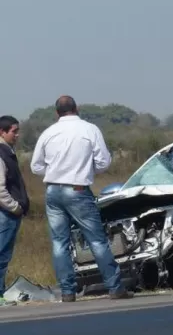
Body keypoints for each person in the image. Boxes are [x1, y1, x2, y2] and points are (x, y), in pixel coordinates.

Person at [30, 96, 133, 302]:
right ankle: (114, 287)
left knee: (60, 243)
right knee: (96, 240)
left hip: (53, 191)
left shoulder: (48, 133)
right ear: (76, 109)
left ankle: (68, 292)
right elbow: (103, 162)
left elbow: (36, 166)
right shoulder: (89, 129)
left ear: (56, 112)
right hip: (77, 189)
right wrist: (85, 170)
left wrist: (56, 171)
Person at [0, 116, 29, 307]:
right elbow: (0, 189)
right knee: (1, 254)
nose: (17, 135)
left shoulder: (8, 151)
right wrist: (15, 207)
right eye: (14, 131)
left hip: (10, 213)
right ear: (2, 132)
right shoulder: (1, 154)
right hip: (5, 214)